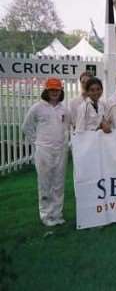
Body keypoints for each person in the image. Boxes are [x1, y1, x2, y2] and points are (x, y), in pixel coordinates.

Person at [22, 77, 71, 227]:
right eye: (51, 90)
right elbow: (26, 127)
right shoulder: (37, 107)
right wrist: (37, 142)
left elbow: (68, 127)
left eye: (57, 89)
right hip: (44, 150)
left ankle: (57, 214)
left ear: (61, 91)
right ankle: (46, 215)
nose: (54, 92)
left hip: (61, 150)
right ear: (46, 91)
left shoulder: (64, 109)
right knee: (45, 183)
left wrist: (65, 143)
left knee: (58, 183)